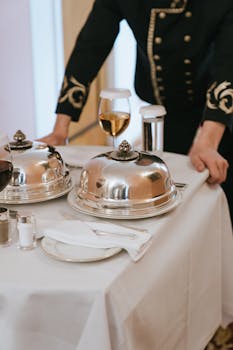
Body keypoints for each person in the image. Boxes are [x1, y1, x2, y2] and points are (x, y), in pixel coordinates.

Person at [40, 0, 233, 223]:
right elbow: (90, 48)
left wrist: (208, 141)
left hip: (219, 111)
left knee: (221, 195)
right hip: (167, 111)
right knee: (176, 205)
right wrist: (60, 129)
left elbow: (228, 63)